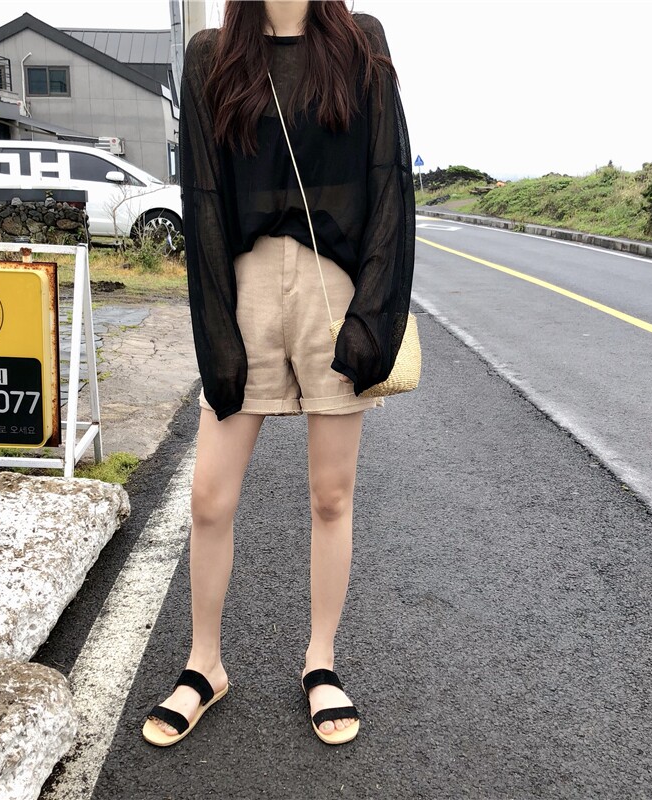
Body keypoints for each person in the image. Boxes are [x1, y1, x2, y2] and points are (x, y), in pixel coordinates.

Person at [142, 0, 415, 747]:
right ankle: (204, 664)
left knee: (330, 495)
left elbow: (389, 180)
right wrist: (216, 330)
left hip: (334, 289)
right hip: (248, 287)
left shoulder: (359, 42)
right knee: (208, 496)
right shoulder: (212, 54)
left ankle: (320, 661)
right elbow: (202, 196)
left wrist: (372, 316)